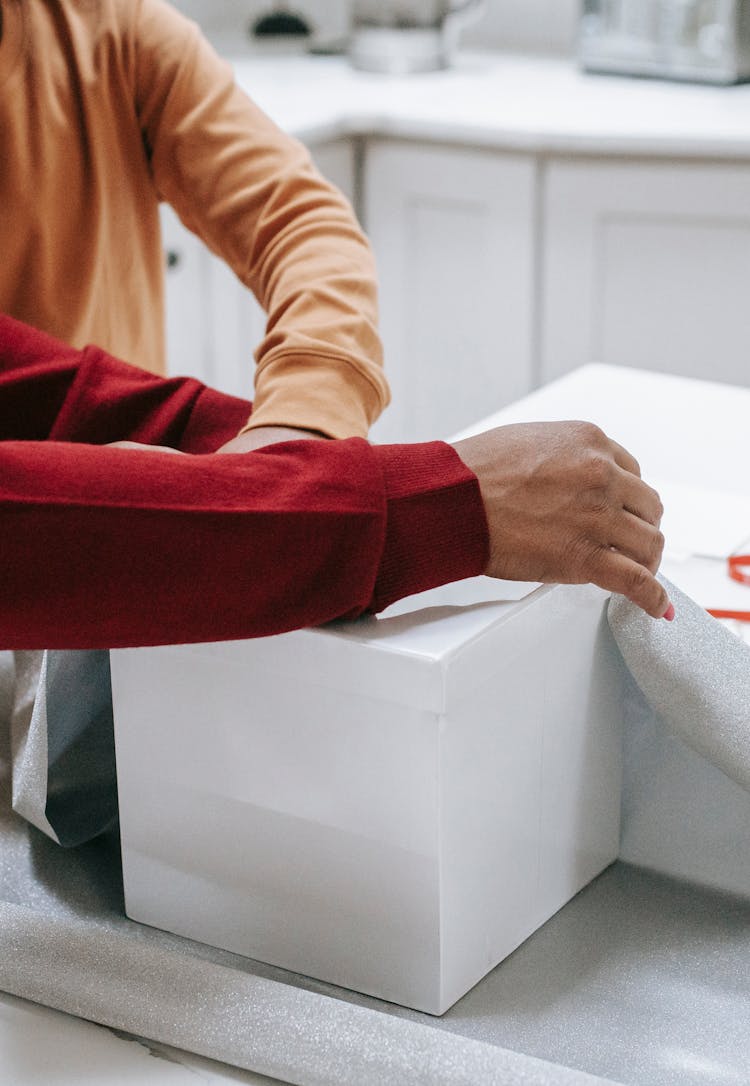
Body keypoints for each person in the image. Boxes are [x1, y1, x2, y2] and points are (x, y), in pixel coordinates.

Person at [0, 0, 671, 647]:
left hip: (145, 575)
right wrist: (432, 507)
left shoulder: (108, 27)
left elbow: (299, 224)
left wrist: (291, 445)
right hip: (120, 566)